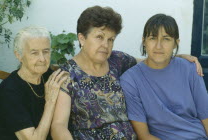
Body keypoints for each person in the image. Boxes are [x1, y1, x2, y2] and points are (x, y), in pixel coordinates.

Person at [51, 6, 203, 140]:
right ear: (82, 38)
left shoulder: (117, 60)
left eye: (111, 39)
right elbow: (59, 126)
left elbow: (152, 59)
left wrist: (177, 56)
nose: (105, 45)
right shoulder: (68, 74)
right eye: (99, 37)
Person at [120, 14, 208, 140]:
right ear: (144, 41)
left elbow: (205, 116)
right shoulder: (130, 81)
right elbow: (144, 136)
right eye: (152, 38)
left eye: (166, 39)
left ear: (175, 43)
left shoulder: (190, 69)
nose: (158, 46)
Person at [0, 26, 68, 140]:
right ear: (19, 55)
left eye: (46, 51)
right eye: (34, 53)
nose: (42, 59)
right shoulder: (9, 91)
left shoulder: (47, 75)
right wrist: (50, 102)